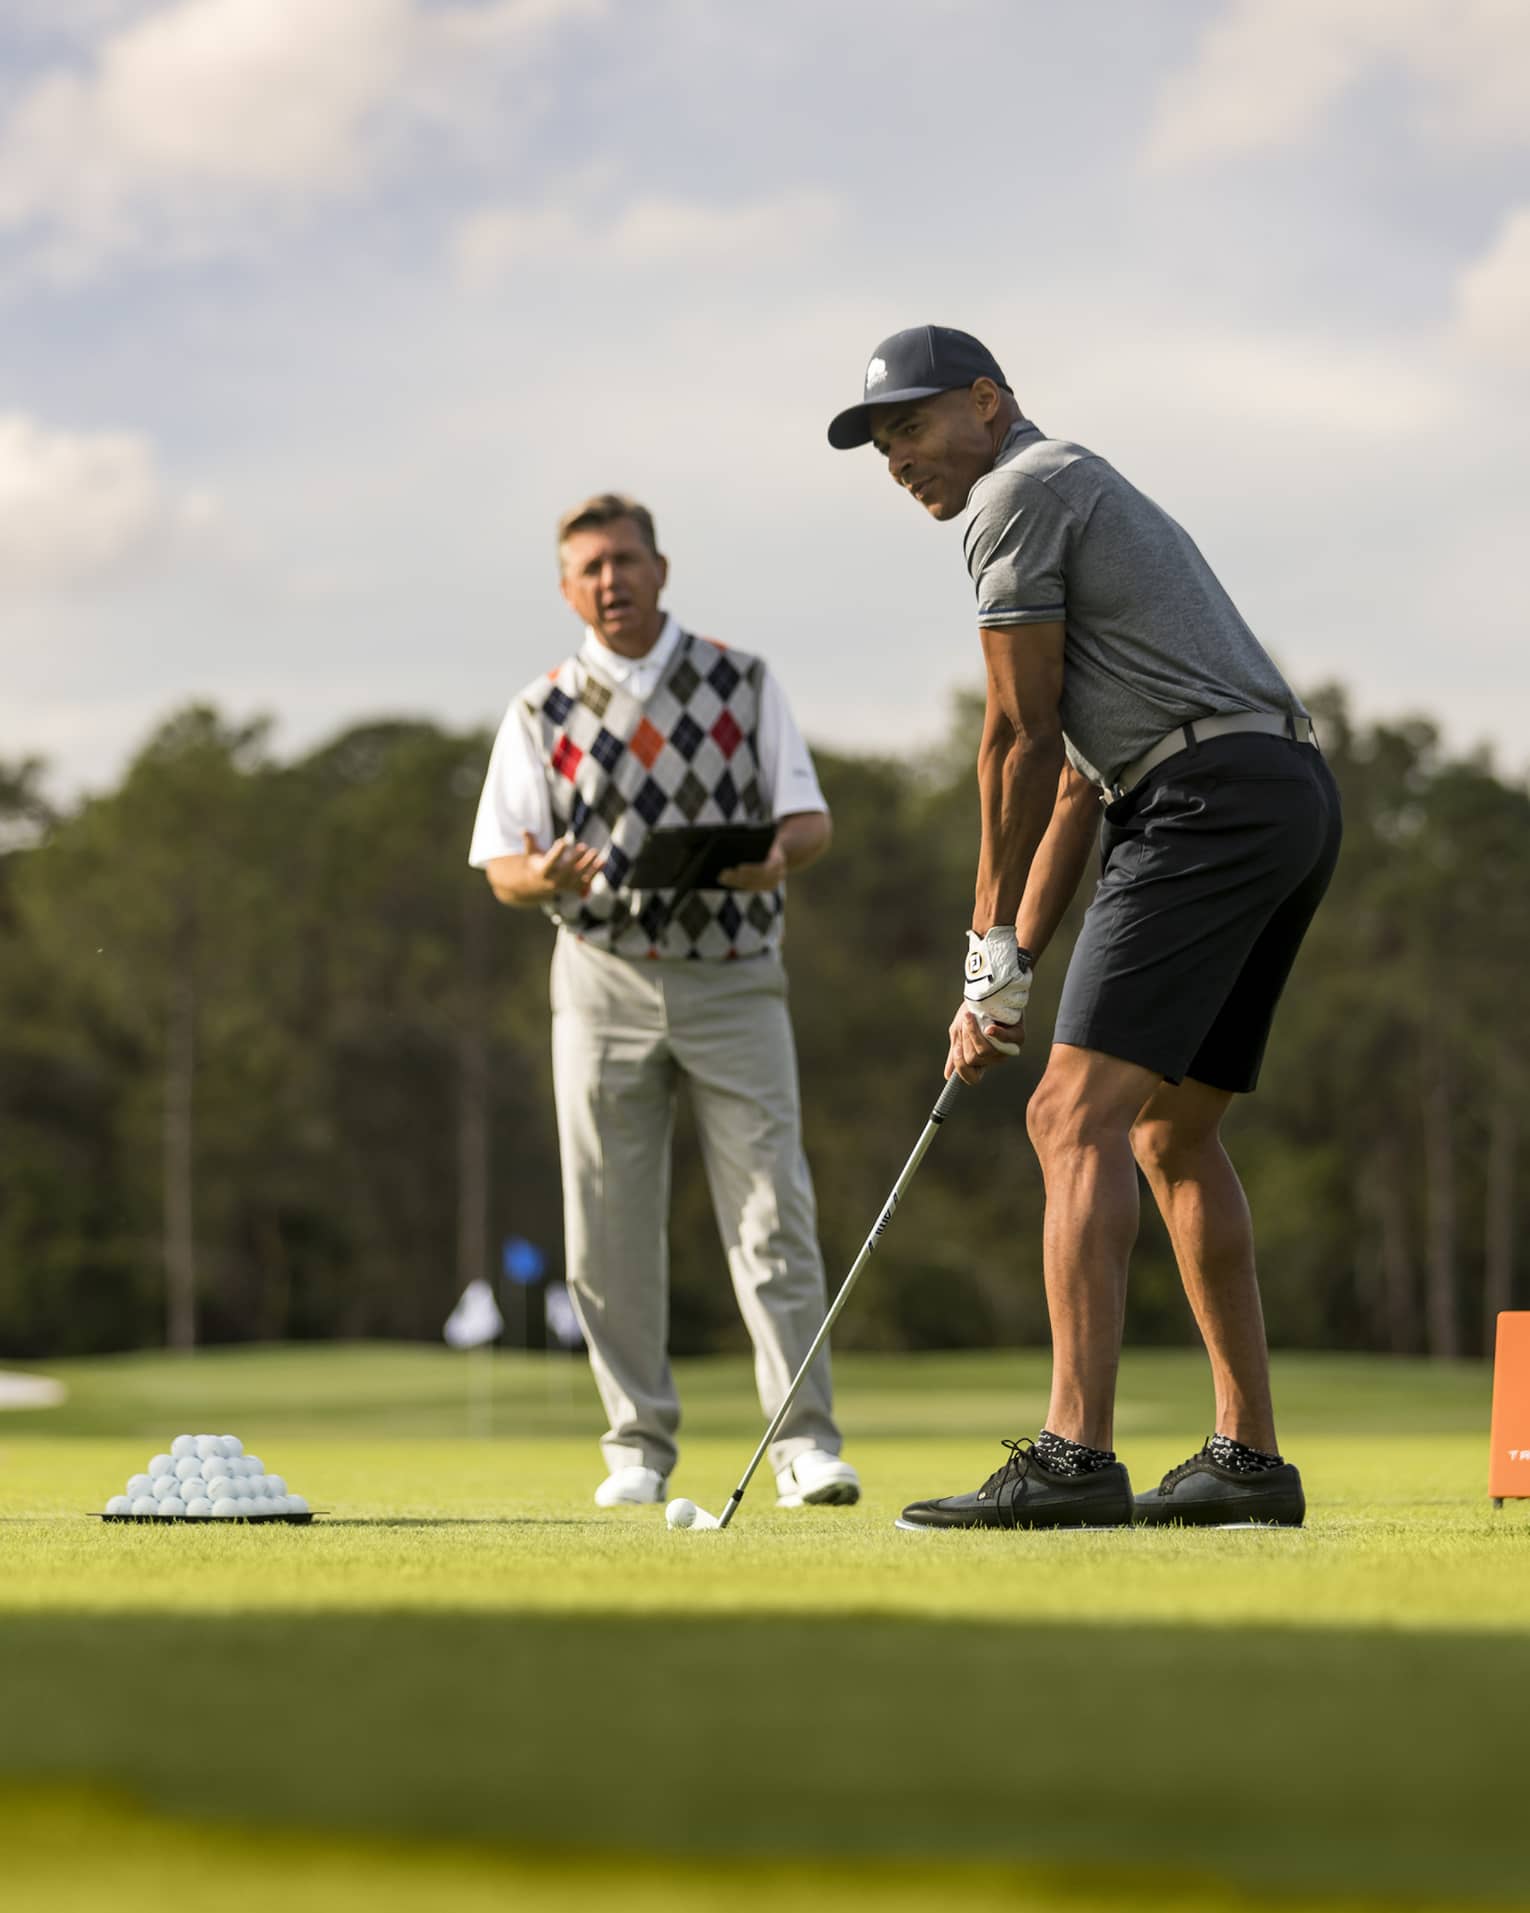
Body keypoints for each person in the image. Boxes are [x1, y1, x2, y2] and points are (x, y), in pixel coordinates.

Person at [827, 327, 1342, 1531]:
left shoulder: (1014, 494)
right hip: (1279, 795)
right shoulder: (1075, 488)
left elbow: (1013, 734)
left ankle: (1073, 1456)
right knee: (1168, 1133)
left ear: (988, 402)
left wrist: (978, 942)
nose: (896, 457)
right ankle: (1248, 1459)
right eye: (880, 441)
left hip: (1205, 804)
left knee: (1068, 1115)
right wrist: (1005, 969)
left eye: (911, 426)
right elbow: (1073, 779)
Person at [468, 493, 859, 1511]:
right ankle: (635, 1445)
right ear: (567, 587)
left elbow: (808, 819)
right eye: (590, 567)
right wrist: (543, 871)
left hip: (734, 974)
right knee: (606, 1225)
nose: (612, 580)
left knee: (774, 1211)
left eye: (626, 560)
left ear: (661, 567)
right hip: (600, 978)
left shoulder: (741, 678)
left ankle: (805, 1444)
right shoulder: (537, 707)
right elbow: (500, 865)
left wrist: (776, 857)